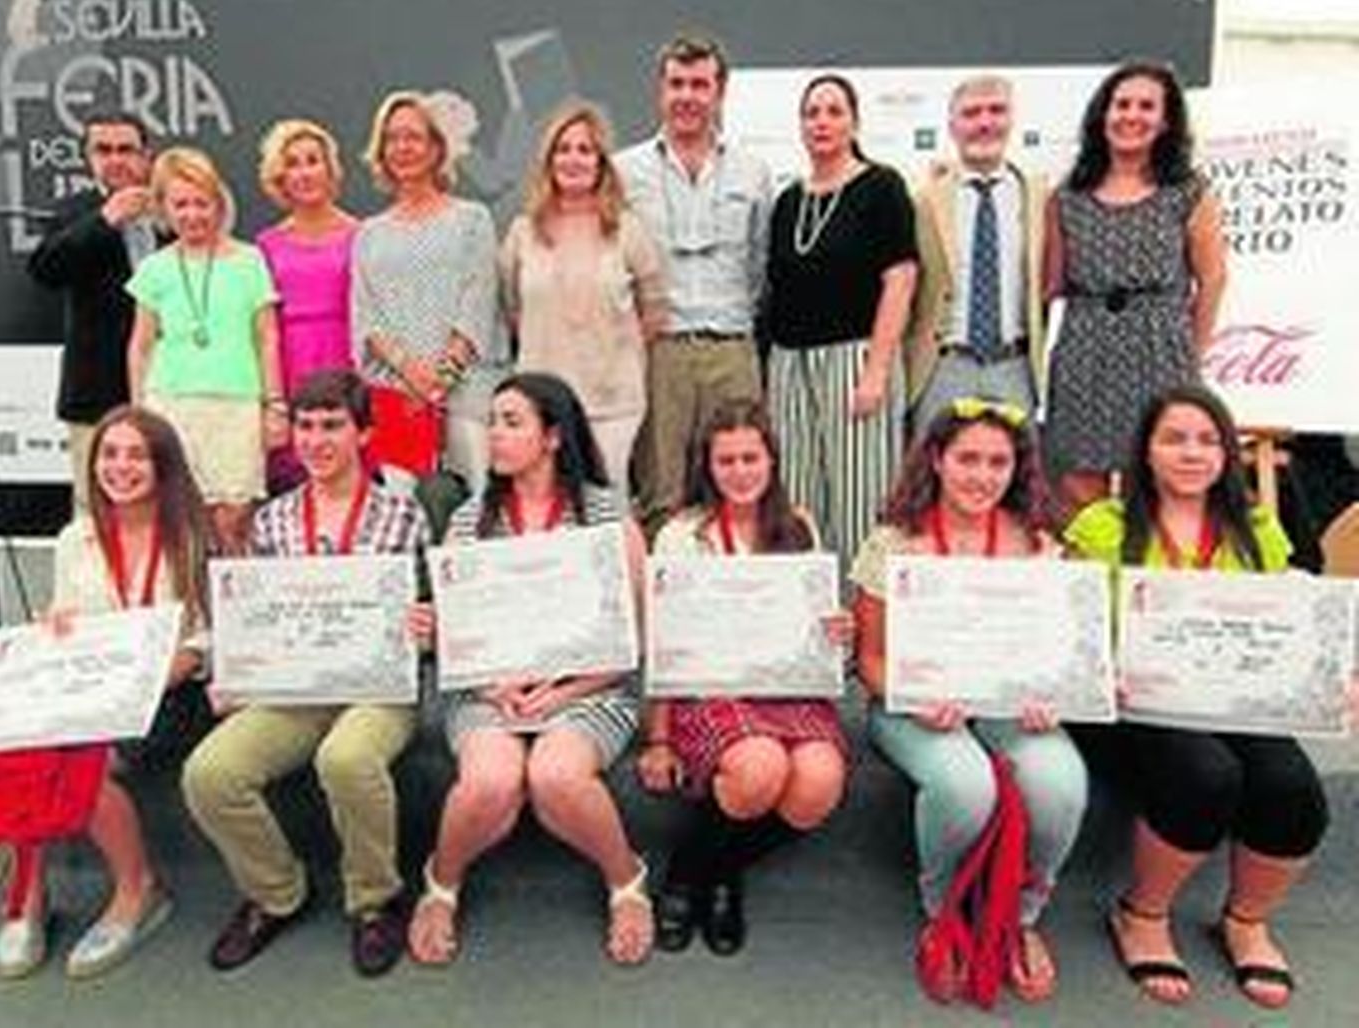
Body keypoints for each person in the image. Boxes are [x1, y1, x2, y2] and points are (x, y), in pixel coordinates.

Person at [1066, 385, 1346, 1010]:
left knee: (1291, 786)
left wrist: (1330, 677)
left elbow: (1291, 619)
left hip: (1233, 699)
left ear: (1226, 454)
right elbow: (1071, 629)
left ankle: (1245, 920)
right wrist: (1100, 669)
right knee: (1205, 773)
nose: (1191, 453)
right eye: (1174, 439)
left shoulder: (1258, 528)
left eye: (1207, 440)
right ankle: (1142, 913)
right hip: (1130, 706)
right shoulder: (1102, 526)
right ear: (1145, 451)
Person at [182, 370, 430, 978]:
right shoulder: (271, 520)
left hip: (377, 687)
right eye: (305, 426)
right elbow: (257, 618)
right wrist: (237, 674)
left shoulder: (406, 517)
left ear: (364, 433)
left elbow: (436, 611)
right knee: (210, 773)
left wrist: (429, 623)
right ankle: (277, 892)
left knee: (347, 758)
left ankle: (375, 901)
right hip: (295, 687)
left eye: (332, 426)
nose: (316, 440)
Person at [407, 373, 653, 966]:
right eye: (492, 421)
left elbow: (635, 635)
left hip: (590, 687)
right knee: (490, 781)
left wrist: (564, 691)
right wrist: (474, 667)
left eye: (512, 422)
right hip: (488, 688)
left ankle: (626, 882)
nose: (494, 433)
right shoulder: (469, 519)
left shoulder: (607, 517)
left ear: (553, 436)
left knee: (556, 775)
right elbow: (457, 628)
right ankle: (441, 885)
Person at [851, 399, 1087, 1004]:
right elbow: (869, 660)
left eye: (997, 462)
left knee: (1060, 782)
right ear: (937, 459)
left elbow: (1063, 653)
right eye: (967, 459)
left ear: (1017, 468)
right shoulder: (894, 542)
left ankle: (1020, 916)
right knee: (964, 785)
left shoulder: (1038, 543)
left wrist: (1055, 695)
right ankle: (945, 910)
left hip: (1011, 706)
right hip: (914, 707)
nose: (982, 475)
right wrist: (913, 697)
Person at [0, 406, 210, 980]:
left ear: (163, 466)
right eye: (110, 454)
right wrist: (54, 626)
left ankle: (138, 890)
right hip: (87, 686)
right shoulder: (75, 538)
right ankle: (28, 895)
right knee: (17, 744)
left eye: (137, 455)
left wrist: (144, 681)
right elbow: (68, 616)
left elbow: (204, 642)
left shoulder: (194, 537)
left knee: (79, 760)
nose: (120, 467)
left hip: (168, 694)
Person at [637, 398, 852, 956]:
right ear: (707, 467)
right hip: (710, 688)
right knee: (759, 768)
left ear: (772, 460)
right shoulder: (682, 535)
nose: (739, 472)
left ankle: (715, 867)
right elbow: (665, 641)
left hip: (786, 685)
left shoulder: (798, 525)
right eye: (726, 460)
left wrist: (834, 628)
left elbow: (810, 623)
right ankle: (695, 878)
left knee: (820, 784)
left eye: (750, 458)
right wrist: (659, 738)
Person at [1043, 61, 1227, 513]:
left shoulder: (1187, 191)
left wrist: (1192, 354)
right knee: (1077, 482)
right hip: (1085, 346)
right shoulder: (1067, 195)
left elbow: (1212, 278)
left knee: (1155, 482)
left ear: (1166, 121)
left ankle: (1148, 561)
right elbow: (1051, 285)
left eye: (1147, 106)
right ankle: (1088, 560)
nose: (1131, 115)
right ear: (1102, 115)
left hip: (1160, 348)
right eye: (1121, 104)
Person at [759, 72, 918, 563]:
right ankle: (808, 601)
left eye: (834, 111)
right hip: (789, 363)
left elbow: (900, 279)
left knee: (859, 497)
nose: (821, 122)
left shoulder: (881, 187)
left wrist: (877, 370)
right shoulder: (788, 202)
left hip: (855, 358)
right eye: (812, 113)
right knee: (797, 497)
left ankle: (861, 604)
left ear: (855, 122)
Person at [617, 34, 771, 536]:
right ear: (660, 90)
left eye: (700, 85)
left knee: (741, 489)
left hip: (733, 351)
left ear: (719, 92)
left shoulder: (753, 170)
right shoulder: (624, 171)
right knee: (661, 491)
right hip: (660, 354)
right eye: (677, 83)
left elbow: (760, 265)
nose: (687, 96)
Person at [500, 102, 668, 500]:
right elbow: (512, 309)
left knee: (608, 507)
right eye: (563, 149)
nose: (573, 159)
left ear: (601, 163)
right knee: (544, 505)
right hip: (540, 406)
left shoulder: (627, 230)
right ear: (548, 161)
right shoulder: (523, 232)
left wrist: (615, 352)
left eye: (585, 150)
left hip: (613, 404)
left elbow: (655, 309)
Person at [127, 146, 283, 553]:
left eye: (202, 203)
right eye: (181, 204)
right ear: (163, 208)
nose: (192, 214)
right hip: (171, 404)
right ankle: (187, 592)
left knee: (234, 516)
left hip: (237, 405)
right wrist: (139, 414)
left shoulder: (249, 260)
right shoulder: (154, 268)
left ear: (218, 203)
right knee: (177, 517)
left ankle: (230, 592)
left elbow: (267, 337)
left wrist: (275, 405)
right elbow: (141, 346)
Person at [352, 91, 502, 484]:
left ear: (436, 148)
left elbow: (478, 300)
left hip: (468, 391)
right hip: (397, 399)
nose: (402, 147)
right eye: (392, 138)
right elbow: (367, 317)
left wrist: (442, 381)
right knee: (403, 506)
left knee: (477, 497)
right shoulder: (369, 233)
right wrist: (411, 374)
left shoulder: (472, 220)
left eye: (413, 137)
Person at [27, 111, 160, 507]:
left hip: (171, 383)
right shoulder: (74, 212)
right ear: (88, 158)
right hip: (97, 391)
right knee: (95, 510)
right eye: (103, 150)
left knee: (169, 504)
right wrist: (105, 219)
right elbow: (45, 270)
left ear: (147, 155)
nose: (115, 159)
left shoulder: (174, 207)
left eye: (126, 149)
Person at [906, 75, 1048, 439]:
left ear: (1012, 119)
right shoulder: (924, 201)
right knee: (932, 470)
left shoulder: (1041, 198)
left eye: (996, 111)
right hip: (942, 366)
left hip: (1015, 367)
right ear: (952, 126)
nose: (985, 123)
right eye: (971, 113)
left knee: (1019, 469)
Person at [254, 120, 360, 493]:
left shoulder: (363, 235)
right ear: (279, 178)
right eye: (292, 164)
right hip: (289, 364)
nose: (304, 172)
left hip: (348, 358)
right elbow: (262, 328)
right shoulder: (265, 245)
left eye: (312, 161)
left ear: (330, 169)